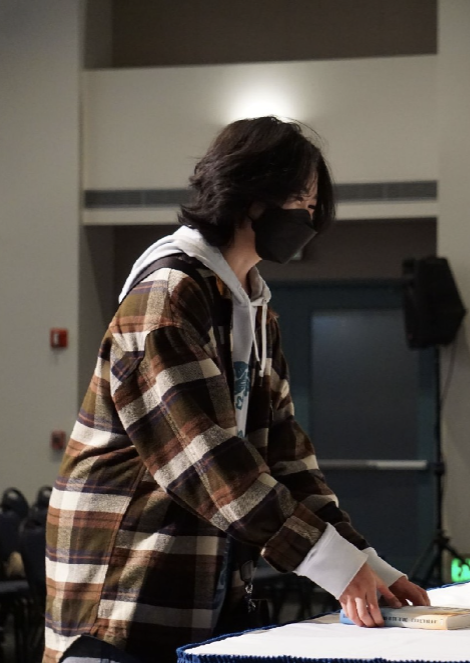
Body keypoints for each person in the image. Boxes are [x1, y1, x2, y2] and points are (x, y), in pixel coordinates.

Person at [45, 117, 429, 663]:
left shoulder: (252, 304)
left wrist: (366, 564)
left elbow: (286, 454)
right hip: (128, 576)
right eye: (300, 198)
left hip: (205, 567)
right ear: (250, 194)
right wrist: (334, 566)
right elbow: (210, 463)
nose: (310, 216)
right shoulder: (168, 297)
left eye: (314, 201)